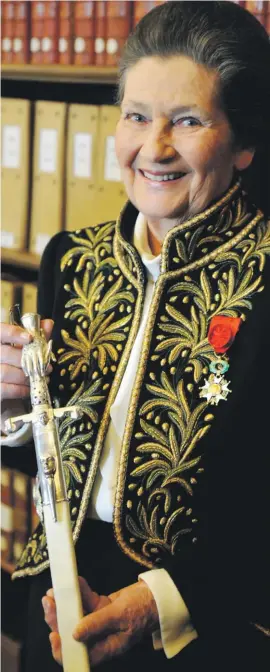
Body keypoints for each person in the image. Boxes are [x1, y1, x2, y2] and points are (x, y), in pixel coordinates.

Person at [1, 2, 270, 670]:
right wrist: (11, 408)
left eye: (188, 121)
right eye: (136, 115)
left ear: (242, 142)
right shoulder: (70, 258)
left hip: (207, 619)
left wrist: (164, 602)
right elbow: (59, 450)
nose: (153, 148)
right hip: (58, 600)